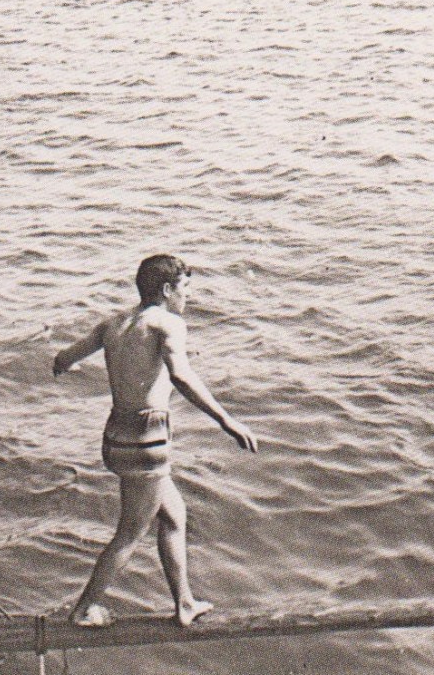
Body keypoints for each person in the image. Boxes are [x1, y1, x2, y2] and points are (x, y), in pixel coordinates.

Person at [52, 254, 258, 628]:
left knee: (174, 516)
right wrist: (227, 421)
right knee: (130, 533)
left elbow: (63, 359)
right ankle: (84, 609)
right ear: (167, 290)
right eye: (185, 290)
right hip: (147, 439)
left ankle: (184, 603)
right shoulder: (168, 324)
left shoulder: (114, 323)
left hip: (116, 435)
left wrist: (72, 367)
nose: (187, 298)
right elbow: (180, 375)